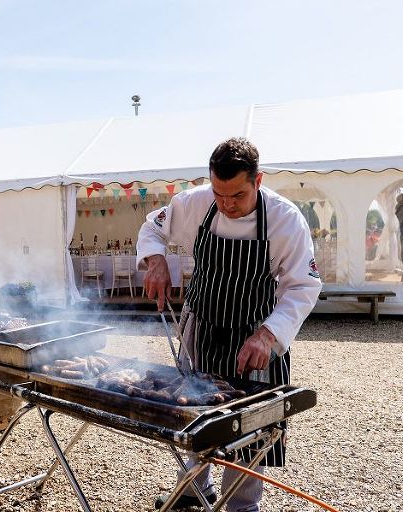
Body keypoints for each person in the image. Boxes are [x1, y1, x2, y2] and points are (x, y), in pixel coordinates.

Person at [138, 137, 322, 511]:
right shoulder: (194, 202)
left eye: (237, 195)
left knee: (250, 422)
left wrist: (269, 335)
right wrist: (155, 261)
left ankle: (241, 504)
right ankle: (193, 488)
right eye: (220, 195)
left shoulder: (286, 220)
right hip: (202, 325)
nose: (227, 205)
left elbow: (303, 285)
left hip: (254, 333)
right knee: (196, 410)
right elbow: (151, 229)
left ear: (258, 181)